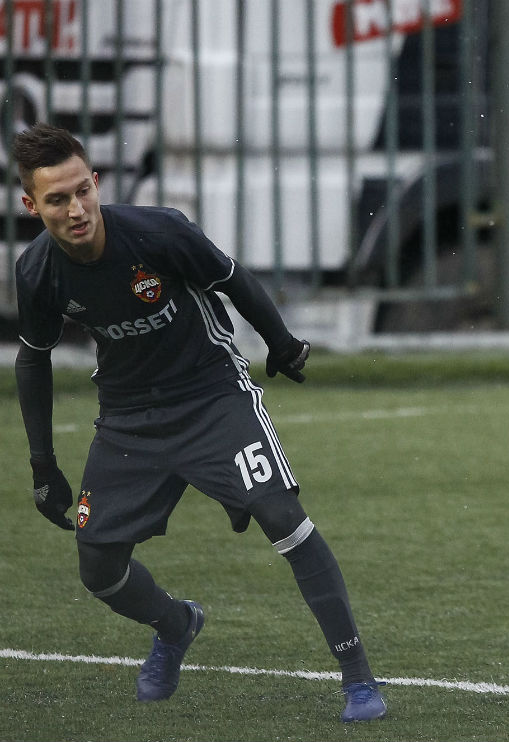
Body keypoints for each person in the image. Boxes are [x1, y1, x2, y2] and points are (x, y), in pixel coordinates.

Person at [11, 123, 387, 722]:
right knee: (98, 568)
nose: (77, 209)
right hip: (129, 420)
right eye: (57, 199)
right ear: (30, 205)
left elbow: (231, 277)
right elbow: (33, 358)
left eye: (83, 190)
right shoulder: (37, 272)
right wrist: (42, 464)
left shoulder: (159, 232)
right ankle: (176, 623)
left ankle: (359, 680)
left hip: (214, 398)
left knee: (282, 515)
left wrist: (281, 343)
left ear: (97, 182)